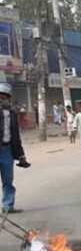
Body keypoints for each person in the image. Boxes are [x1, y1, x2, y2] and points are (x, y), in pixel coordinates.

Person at [0, 83, 29, 214]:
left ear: (9, 99)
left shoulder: (12, 115)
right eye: (0, 96)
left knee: (8, 179)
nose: (2, 99)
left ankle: (8, 205)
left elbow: (16, 136)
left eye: (5, 97)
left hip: (7, 150)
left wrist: (21, 155)